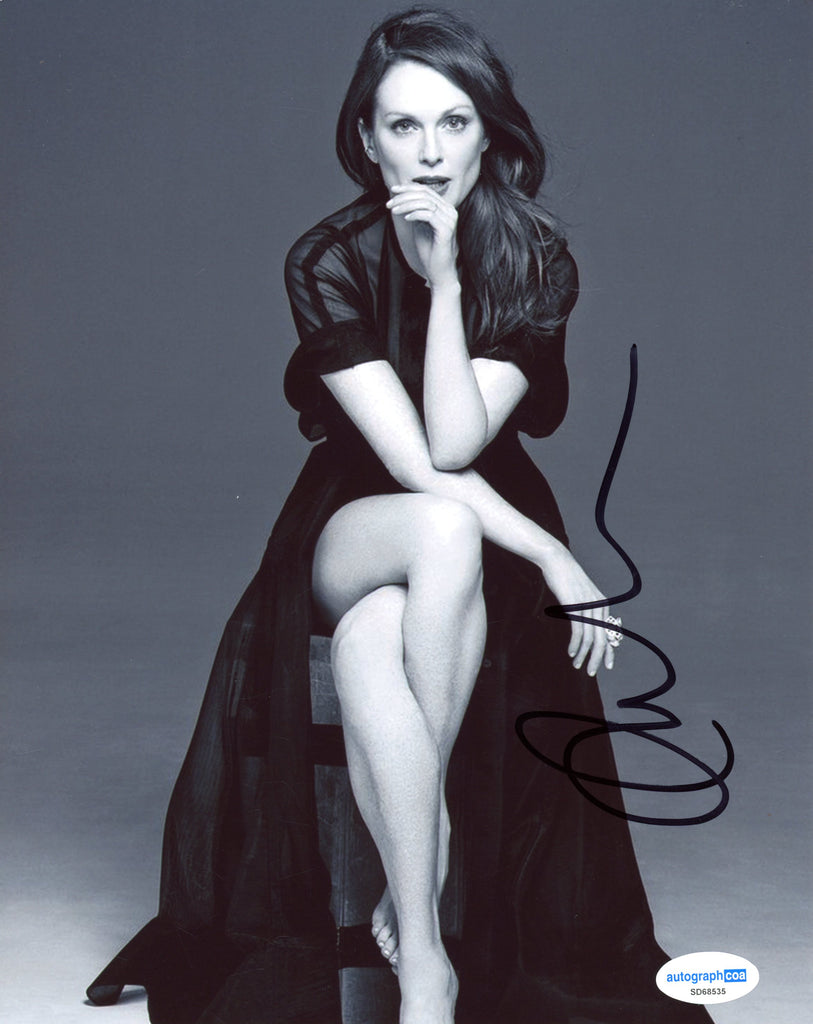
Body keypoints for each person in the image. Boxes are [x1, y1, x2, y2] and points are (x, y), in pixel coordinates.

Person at [88, 8, 713, 1024]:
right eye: (403, 126)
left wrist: (450, 279)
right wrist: (556, 555)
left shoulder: (536, 257)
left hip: (476, 525)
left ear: (489, 135)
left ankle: (421, 952)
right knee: (437, 527)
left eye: (453, 123)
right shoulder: (325, 258)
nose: (428, 152)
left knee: (377, 634)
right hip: (356, 518)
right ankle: (440, 827)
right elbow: (417, 465)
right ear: (367, 140)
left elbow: (461, 441)